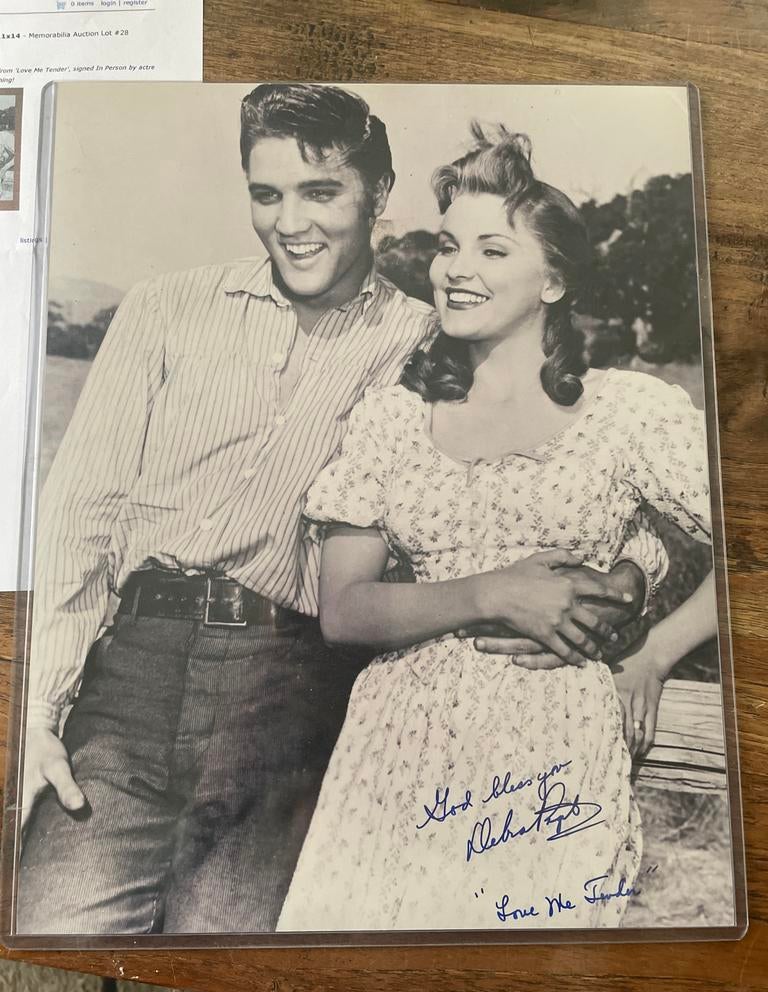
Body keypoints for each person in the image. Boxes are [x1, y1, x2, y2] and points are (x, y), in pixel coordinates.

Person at [17, 86, 656, 935]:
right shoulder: (164, 308)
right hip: (128, 673)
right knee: (51, 928)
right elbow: (77, 520)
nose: (292, 222)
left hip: (289, 686)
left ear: (379, 195)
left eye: (321, 192)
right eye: (266, 193)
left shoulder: (432, 342)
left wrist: (631, 579)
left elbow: (564, 464)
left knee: (232, 980)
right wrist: (32, 711)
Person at [277, 126, 716, 932]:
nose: (456, 270)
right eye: (449, 247)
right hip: (394, 754)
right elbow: (344, 611)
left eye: (491, 251)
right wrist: (494, 594)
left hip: (553, 757)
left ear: (553, 280)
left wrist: (654, 648)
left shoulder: (626, 416)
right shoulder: (393, 421)